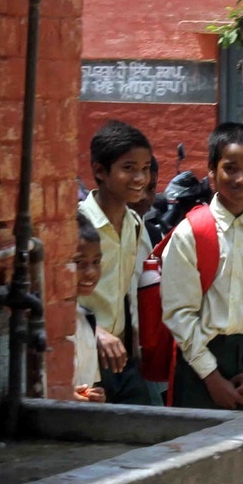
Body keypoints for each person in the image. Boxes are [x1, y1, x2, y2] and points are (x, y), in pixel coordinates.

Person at [160, 122, 243, 413]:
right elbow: (179, 313)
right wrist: (212, 377)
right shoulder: (190, 233)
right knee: (198, 450)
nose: (241, 178)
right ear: (211, 170)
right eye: (230, 168)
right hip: (202, 358)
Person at [78, 120, 156, 405]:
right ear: (100, 171)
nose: (140, 178)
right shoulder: (77, 225)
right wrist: (93, 331)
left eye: (145, 168)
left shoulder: (135, 223)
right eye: (129, 168)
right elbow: (53, 296)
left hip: (123, 358)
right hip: (86, 355)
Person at [72, 213, 106, 403]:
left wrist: (91, 397)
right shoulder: (41, 323)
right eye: (79, 263)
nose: (91, 273)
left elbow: (88, 384)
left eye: (96, 262)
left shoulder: (85, 322)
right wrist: (67, 396)